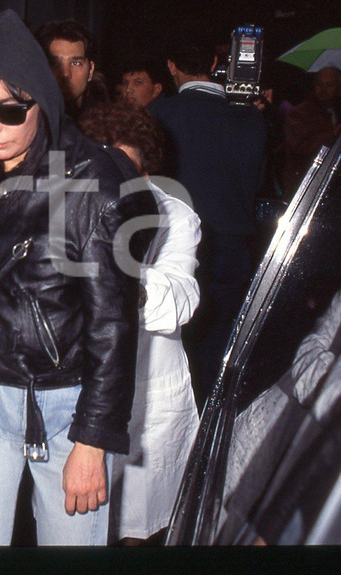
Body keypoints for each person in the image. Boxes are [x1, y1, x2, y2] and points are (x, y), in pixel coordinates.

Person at [0, 10, 156, 546]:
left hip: (65, 406)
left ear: (42, 101)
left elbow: (113, 326)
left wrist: (92, 440)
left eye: (9, 109)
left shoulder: (92, 183)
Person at [77, 102, 201, 545]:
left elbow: (180, 299)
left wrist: (118, 280)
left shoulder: (175, 216)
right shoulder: (69, 208)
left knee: (137, 528)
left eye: (126, 169)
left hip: (148, 396)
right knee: (77, 523)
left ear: (147, 171)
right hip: (80, 398)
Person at [150, 30, 266, 405]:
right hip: (231, 248)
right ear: (215, 63)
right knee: (221, 353)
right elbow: (258, 184)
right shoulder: (251, 118)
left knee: (168, 353)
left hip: (170, 250)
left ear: (171, 67)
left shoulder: (158, 115)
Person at [279, 65, 341, 198]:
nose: (323, 90)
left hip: (333, 183)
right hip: (304, 184)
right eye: (319, 84)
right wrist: (333, 134)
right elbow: (299, 147)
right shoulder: (300, 113)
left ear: (339, 87)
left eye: (329, 85)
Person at [34, 18, 105, 120]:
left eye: (76, 63)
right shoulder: (29, 120)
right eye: (55, 64)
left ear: (91, 71)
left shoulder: (107, 122)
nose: (65, 74)